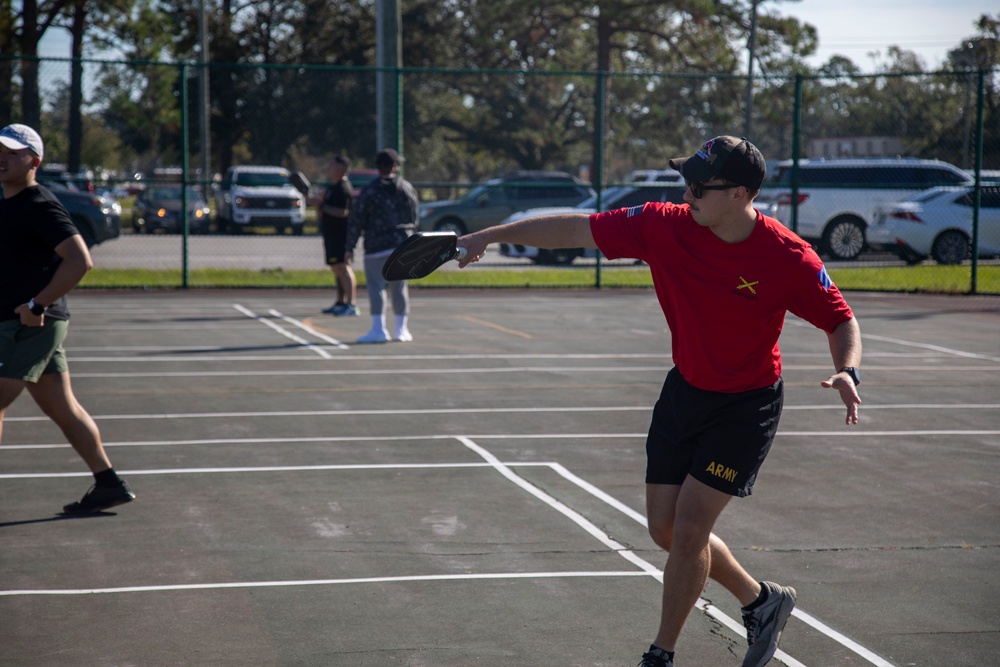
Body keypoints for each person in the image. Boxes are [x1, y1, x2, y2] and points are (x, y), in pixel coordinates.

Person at [456, 136, 862, 667]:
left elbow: (839, 317)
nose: (688, 193)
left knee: (692, 526)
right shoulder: (663, 224)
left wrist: (847, 369)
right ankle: (763, 602)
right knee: (666, 531)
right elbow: (578, 227)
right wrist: (487, 235)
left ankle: (660, 654)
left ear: (741, 194)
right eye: (685, 182)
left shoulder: (786, 256)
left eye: (701, 186)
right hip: (685, 391)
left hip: (746, 404)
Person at [0, 123, 135, 515]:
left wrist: (37, 305)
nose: (3, 157)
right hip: (22, 323)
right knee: (63, 407)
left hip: (29, 324)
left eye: (13, 151)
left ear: (34, 161)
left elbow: (80, 260)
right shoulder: (8, 203)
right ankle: (108, 483)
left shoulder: (38, 204)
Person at [346, 148, 420, 344]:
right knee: (400, 287)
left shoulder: (369, 191)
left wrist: (349, 247)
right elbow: (415, 217)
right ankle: (401, 330)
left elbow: (356, 220)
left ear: (377, 167)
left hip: (376, 246)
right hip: (402, 245)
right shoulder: (406, 188)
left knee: (376, 288)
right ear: (395, 166)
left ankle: (379, 329)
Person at [315, 155, 359, 317]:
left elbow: (343, 212)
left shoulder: (343, 188)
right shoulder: (333, 188)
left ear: (341, 168)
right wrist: (319, 205)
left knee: (344, 267)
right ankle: (340, 302)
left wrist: (322, 205)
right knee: (336, 269)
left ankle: (351, 304)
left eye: (332, 166)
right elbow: (324, 209)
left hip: (341, 235)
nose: (329, 168)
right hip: (331, 235)